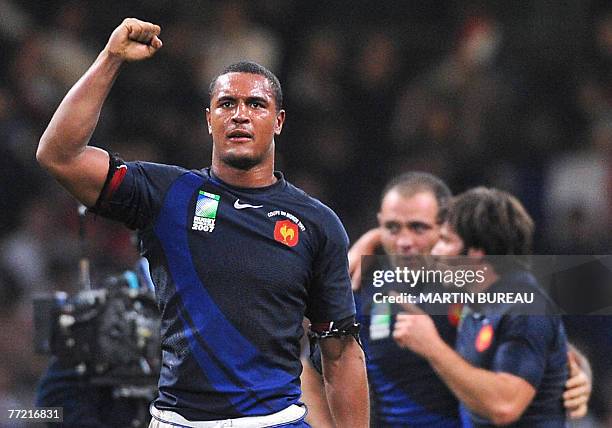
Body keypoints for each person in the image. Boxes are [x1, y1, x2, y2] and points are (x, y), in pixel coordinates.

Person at [36, 18, 368, 428]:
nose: (240, 115)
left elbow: (339, 349)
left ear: (278, 121)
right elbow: (59, 156)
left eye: (256, 104)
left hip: (276, 421)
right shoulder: (165, 193)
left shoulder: (317, 223)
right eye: (227, 104)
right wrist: (110, 58)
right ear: (208, 119)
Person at [303, 173, 592, 427]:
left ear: (448, 228)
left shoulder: (476, 287)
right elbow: (311, 372)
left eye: (418, 228)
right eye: (392, 228)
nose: (404, 241)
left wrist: (581, 375)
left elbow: (547, 346)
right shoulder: (361, 286)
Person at [393, 187, 570, 426]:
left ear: (476, 252)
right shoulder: (475, 301)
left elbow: (505, 406)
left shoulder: (524, 307)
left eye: (446, 241)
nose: (435, 252)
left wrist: (431, 346)